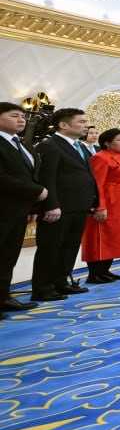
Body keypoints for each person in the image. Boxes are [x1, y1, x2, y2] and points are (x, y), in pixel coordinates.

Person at [31, 107, 96, 300]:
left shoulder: (79, 146)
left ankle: (61, 282)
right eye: (81, 122)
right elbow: (46, 178)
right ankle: (43, 288)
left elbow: (86, 175)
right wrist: (51, 205)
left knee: (69, 247)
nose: (86, 126)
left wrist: (93, 200)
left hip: (79, 206)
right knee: (51, 248)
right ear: (63, 125)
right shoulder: (50, 145)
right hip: (59, 207)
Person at [0, 101, 45, 315]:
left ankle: (3, 297)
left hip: (18, 210)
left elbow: (29, 173)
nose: (21, 120)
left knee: (8, 256)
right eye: (14, 116)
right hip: (3, 208)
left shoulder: (19, 143)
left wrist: (33, 205)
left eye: (22, 116)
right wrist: (35, 190)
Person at [81, 128, 120, 283]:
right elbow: (97, 184)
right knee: (102, 236)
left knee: (117, 237)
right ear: (107, 143)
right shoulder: (100, 158)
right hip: (110, 203)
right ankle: (95, 273)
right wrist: (100, 206)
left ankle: (105, 270)